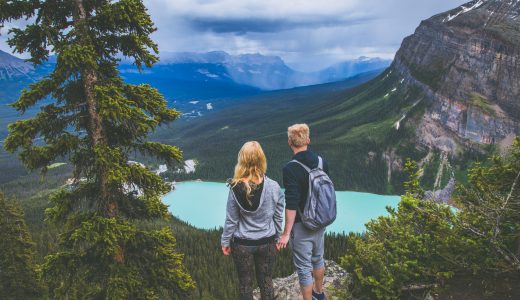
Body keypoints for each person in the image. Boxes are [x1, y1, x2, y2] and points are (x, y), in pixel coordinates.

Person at [221, 141, 285, 300]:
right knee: (266, 281)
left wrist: (225, 241)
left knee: (245, 284)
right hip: (267, 242)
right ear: (261, 159)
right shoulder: (274, 186)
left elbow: (231, 220)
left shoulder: (235, 187)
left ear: (242, 160)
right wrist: (278, 237)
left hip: (242, 244)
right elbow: (278, 216)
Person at [277, 124, 330, 300]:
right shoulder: (322, 162)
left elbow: (291, 203)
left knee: (303, 267)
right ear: (308, 140)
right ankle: (319, 293)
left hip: (301, 225)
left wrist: (286, 233)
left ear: (289, 142)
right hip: (320, 221)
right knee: (318, 258)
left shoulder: (290, 168)